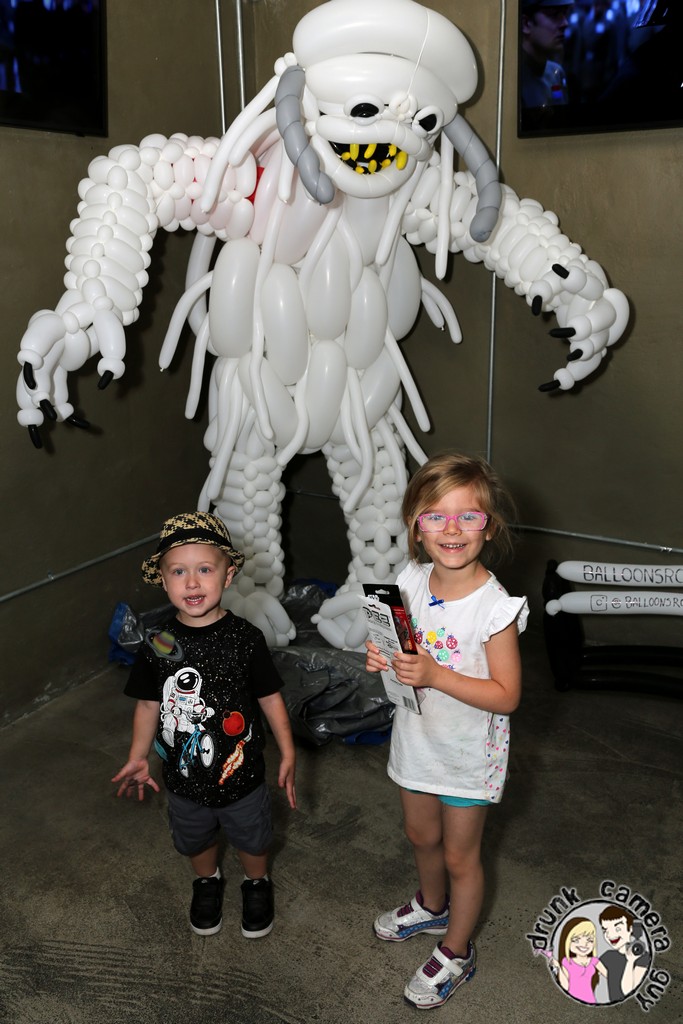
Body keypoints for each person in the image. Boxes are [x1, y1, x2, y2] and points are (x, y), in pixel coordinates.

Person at [365, 453, 528, 1009]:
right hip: (416, 738)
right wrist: (384, 656)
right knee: (420, 836)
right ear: (415, 524)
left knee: (463, 856)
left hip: (465, 755)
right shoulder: (408, 578)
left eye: (468, 517)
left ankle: (457, 949)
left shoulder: (494, 609)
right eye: (435, 516)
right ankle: (431, 906)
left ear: (490, 526)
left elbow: (506, 695)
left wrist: (435, 672)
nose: (451, 530)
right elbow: (404, 646)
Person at [111, 511, 296, 940]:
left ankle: (256, 882)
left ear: (228, 575)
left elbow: (270, 697)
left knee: (252, 838)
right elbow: (147, 704)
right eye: (178, 571)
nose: (191, 582)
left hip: (242, 775)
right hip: (182, 778)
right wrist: (138, 756)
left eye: (204, 569)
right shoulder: (158, 642)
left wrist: (287, 750)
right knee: (194, 838)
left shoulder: (246, 638)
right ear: (163, 579)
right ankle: (207, 881)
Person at [520, 1, 574, 111]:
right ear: (526, 24)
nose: (565, 23)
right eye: (553, 14)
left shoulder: (556, 73)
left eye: (564, 13)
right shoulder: (513, 79)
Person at [599, 905, 650, 1002]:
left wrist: (630, 961)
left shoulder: (643, 957)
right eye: (605, 930)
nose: (610, 935)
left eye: (617, 928)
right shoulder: (608, 956)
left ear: (630, 929)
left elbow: (627, 991)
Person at [555, 916, 608, 1003]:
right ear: (567, 941)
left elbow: (610, 976)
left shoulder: (594, 961)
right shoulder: (567, 962)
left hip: (590, 1000)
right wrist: (558, 967)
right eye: (576, 940)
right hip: (571, 1000)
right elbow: (565, 986)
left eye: (590, 940)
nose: (584, 944)